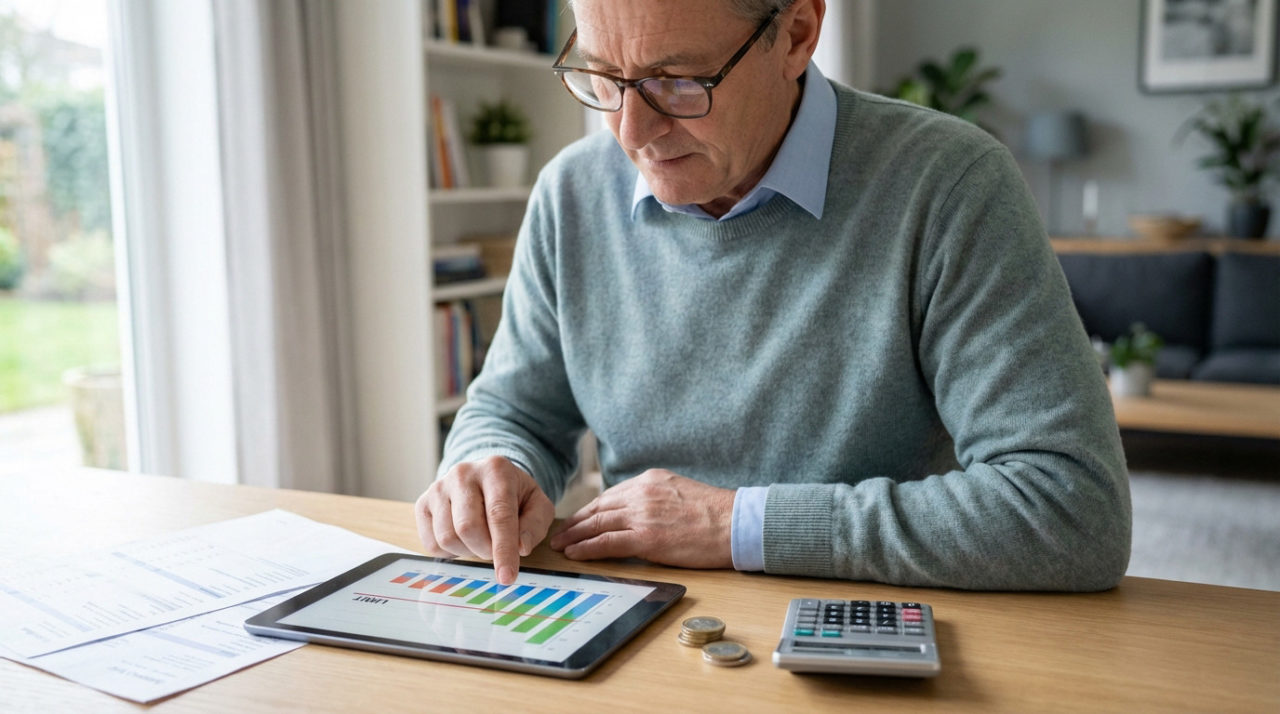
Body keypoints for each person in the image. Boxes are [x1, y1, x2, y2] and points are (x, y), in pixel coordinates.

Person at [414, 0, 1131, 591]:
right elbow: (514, 410)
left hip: (866, 630)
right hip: (643, 627)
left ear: (796, 34)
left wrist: (738, 526)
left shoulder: (949, 185)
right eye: (603, 77)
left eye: (678, 81)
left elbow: (1071, 507)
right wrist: (490, 466)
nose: (631, 132)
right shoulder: (570, 193)